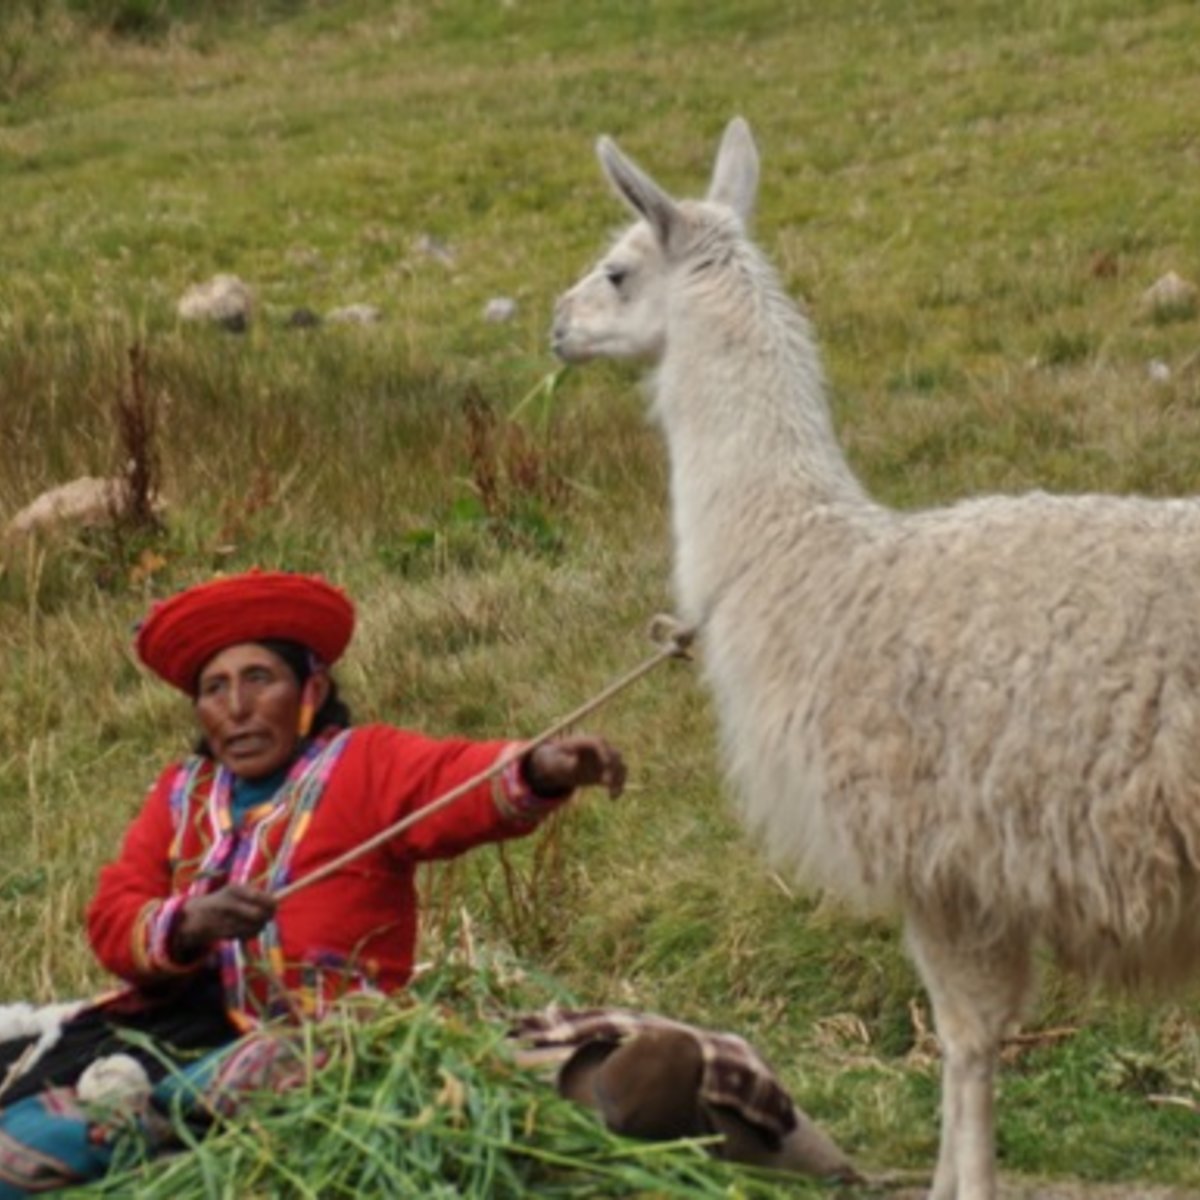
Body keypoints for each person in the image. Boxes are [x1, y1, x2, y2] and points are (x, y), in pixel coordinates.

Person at [0, 569, 626, 1196]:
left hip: (319, 1038)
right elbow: (114, 917)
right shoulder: (181, 796)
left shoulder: (363, 765)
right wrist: (189, 923)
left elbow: (451, 782)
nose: (237, 708)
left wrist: (541, 768)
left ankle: (162, 1122)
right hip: (166, 1033)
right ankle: (145, 1124)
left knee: (261, 1076)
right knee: (28, 1142)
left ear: (311, 689)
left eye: (259, 680)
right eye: (215, 689)